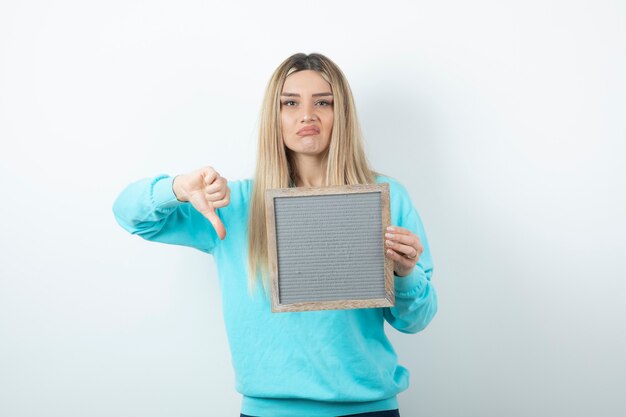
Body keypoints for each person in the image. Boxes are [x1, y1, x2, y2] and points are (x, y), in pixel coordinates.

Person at [112, 53, 437, 417]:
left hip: (368, 407)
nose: (307, 115)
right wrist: (176, 187)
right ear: (275, 116)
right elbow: (129, 214)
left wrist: (405, 275)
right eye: (290, 103)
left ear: (340, 113)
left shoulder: (383, 198)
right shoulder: (232, 205)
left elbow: (416, 320)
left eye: (324, 102)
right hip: (268, 410)